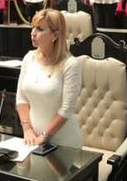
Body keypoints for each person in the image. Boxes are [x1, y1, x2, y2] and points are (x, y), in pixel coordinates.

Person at [15, 9, 81, 148]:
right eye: (33, 27)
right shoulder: (29, 57)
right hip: (31, 138)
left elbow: (66, 109)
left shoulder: (70, 64)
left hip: (63, 142)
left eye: (40, 29)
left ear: (55, 35)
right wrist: (27, 130)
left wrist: (44, 136)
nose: (33, 33)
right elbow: (21, 98)